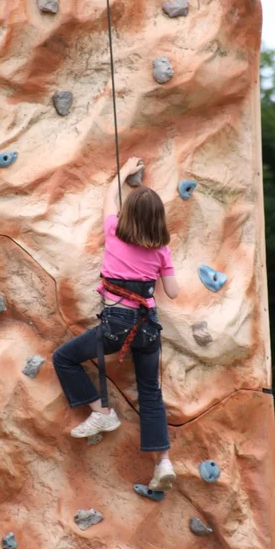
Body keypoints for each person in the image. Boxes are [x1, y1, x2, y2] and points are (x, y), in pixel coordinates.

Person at [53, 157, 179, 491]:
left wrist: (123, 173)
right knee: (150, 394)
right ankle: (163, 462)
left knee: (64, 358)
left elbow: (109, 200)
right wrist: (161, 266)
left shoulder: (114, 232)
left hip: (116, 325)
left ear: (129, 216)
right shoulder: (162, 250)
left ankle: (102, 411)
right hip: (148, 328)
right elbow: (173, 292)